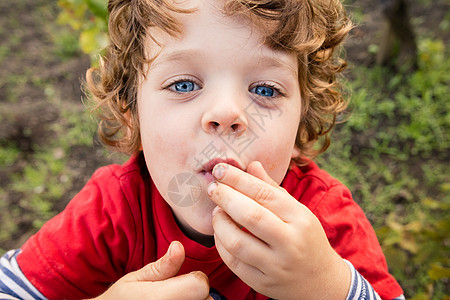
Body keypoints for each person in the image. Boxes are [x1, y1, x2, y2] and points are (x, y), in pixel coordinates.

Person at [0, 0, 405, 299]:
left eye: (264, 89)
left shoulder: (322, 220)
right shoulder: (114, 210)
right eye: (184, 84)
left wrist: (327, 286)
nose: (227, 113)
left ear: (301, 123)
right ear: (131, 113)